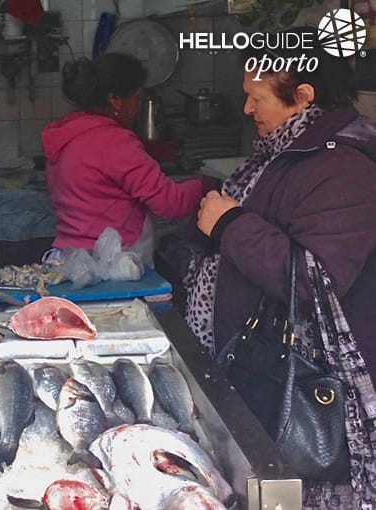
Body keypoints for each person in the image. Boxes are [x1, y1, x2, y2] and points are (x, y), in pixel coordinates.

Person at [186, 27, 376, 507]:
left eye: (256, 98)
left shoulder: (342, 168)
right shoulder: (286, 155)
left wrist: (229, 224)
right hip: (263, 370)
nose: (247, 109)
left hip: (306, 388)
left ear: (303, 97)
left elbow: (316, 280)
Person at [41, 53, 207, 268]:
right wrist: (207, 185)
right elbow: (170, 203)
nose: (137, 107)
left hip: (67, 260)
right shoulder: (116, 143)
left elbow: (97, 169)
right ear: (115, 100)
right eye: (137, 98)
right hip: (112, 265)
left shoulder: (65, 135)